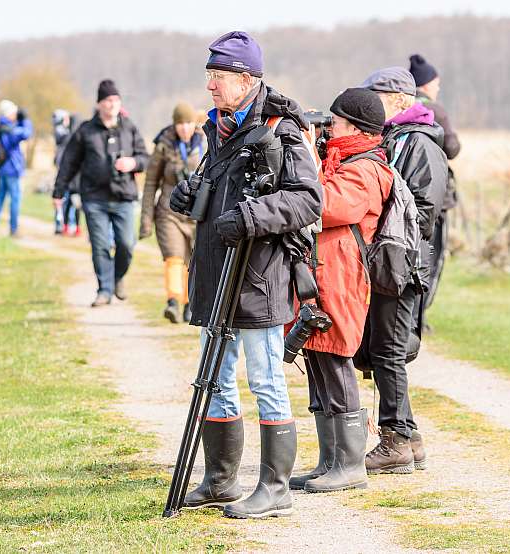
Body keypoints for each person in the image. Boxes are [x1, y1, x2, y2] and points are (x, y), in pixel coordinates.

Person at [169, 31, 322, 519]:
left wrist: (252, 218)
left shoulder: (283, 130)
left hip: (258, 275)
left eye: (218, 76)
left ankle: (275, 489)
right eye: (208, 75)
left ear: (246, 78)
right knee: (212, 378)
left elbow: (307, 200)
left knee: (266, 380)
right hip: (215, 271)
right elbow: (220, 187)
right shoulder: (218, 128)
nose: (210, 85)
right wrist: (191, 194)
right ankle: (220, 482)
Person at [288, 89, 393, 494]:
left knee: (335, 360)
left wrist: (309, 163)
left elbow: (327, 206)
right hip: (323, 275)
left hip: (343, 279)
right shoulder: (343, 160)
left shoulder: (365, 168)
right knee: (316, 360)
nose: (330, 127)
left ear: (355, 126)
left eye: (336, 121)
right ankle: (329, 460)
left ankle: (349, 464)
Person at [360, 67, 447, 475]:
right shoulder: (396, 139)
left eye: (375, 93)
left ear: (399, 98)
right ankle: (409, 438)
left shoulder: (421, 144)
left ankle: (394, 440)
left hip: (403, 263)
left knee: (390, 352)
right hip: (390, 260)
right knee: (383, 350)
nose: (369, 101)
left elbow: (423, 213)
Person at [53, 80, 149, 307]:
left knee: (126, 244)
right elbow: (69, 163)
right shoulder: (85, 131)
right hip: (94, 198)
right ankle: (104, 290)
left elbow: (145, 157)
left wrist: (133, 162)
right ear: (99, 104)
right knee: (100, 246)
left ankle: (116, 278)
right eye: (107, 100)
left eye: (116, 100)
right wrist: (58, 191)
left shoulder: (129, 127)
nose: (112, 104)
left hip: (124, 196)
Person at [139, 102, 204, 324]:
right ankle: (173, 302)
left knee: (192, 261)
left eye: (188, 123)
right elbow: (150, 184)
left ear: (194, 124)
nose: (184, 128)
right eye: (180, 124)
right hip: (168, 212)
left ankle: (188, 304)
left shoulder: (206, 142)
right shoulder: (163, 146)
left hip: (197, 213)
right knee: (174, 257)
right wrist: (146, 220)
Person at [409, 54, 462, 311]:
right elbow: (452, 148)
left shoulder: (402, 104)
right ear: (427, 83)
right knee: (432, 256)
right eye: (436, 82)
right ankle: (421, 315)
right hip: (435, 198)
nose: (438, 88)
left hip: (408, 197)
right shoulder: (435, 110)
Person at [0, 99, 32, 236]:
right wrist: (25, 119)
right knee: (15, 198)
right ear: (8, 113)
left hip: (3, 168)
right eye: (14, 112)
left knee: (0, 196)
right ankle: (13, 229)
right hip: (12, 169)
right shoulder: (10, 129)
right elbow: (26, 133)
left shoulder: (2, 127)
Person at [52, 109, 83, 237]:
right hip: (67, 173)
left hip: (74, 174)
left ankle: (74, 227)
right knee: (65, 201)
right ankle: (62, 226)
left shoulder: (68, 134)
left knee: (74, 202)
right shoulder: (62, 133)